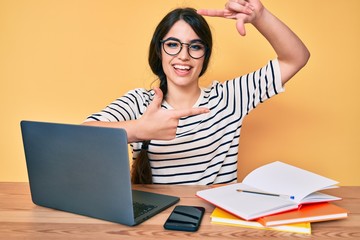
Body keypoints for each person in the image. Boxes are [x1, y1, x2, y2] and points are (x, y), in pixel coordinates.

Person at [83, 0, 310, 185]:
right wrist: (139, 129)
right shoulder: (139, 102)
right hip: (154, 226)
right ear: (159, 51)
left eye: (195, 46)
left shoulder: (230, 98)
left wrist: (261, 17)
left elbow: (296, 58)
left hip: (217, 224)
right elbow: (83, 136)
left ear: (205, 55)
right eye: (172, 44)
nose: (183, 56)